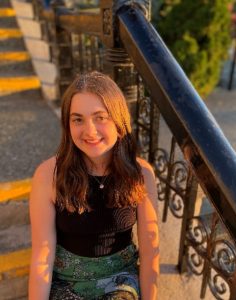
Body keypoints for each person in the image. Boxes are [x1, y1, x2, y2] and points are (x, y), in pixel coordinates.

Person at [29, 71, 159, 299]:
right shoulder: (48, 175)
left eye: (100, 117)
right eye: (78, 119)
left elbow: (150, 255)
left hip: (119, 280)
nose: (90, 131)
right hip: (67, 281)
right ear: (67, 125)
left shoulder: (141, 174)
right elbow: (42, 257)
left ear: (118, 120)